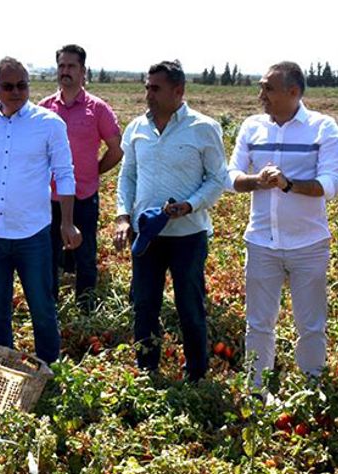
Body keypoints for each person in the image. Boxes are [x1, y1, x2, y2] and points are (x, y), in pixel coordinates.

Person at [0, 57, 80, 364]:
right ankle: (4, 367)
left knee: (42, 305)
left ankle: (48, 367)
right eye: (8, 86)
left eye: (22, 85)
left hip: (32, 232)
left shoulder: (49, 124)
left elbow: (64, 174)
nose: (16, 92)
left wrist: (68, 222)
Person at [226, 61, 338, 387]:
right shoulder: (252, 127)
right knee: (258, 325)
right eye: (261, 87)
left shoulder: (323, 128)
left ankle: (311, 393)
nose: (261, 94)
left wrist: (288, 184)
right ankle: (256, 394)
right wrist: (257, 181)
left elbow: (330, 184)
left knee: (312, 326)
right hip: (262, 242)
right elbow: (231, 176)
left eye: (268, 88)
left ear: (293, 92)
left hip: (309, 244)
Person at [114, 60, 226, 381]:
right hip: (146, 234)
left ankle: (196, 374)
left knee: (189, 305)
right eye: (147, 86)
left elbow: (217, 178)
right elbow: (128, 176)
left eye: (156, 88)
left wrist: (190, 205)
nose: (148, 93)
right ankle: (147, 369)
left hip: (188, 235)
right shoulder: (137, 128)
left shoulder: (203, 128)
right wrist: (123, 217)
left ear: (178, 91)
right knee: (145, 304)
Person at [39, 44, 123, 309]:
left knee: (85, 254)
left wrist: (93, 171)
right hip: (49, 197)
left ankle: (85, 307)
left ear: (83, 71)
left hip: (83, 195)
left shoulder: (97, 109)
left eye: (71, 66)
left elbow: (117, 149)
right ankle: (49, 306)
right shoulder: (44, 108)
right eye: (61, 66)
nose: (65, 71)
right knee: (48, 254)